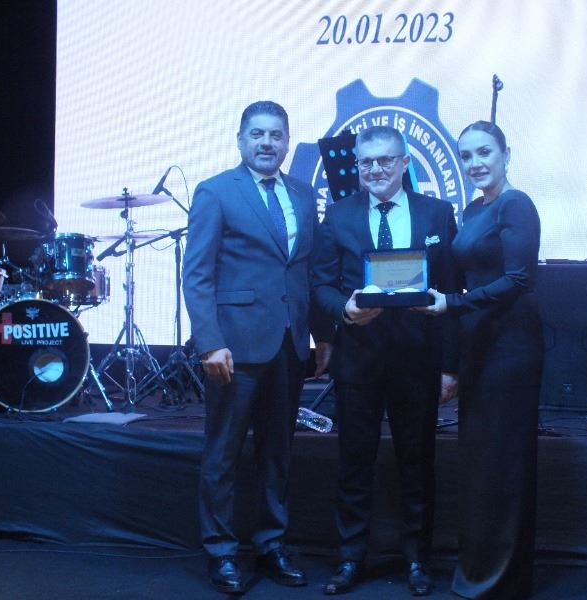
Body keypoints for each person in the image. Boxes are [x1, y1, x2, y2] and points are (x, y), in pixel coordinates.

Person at [182, 100, 331, 595]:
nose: (267, 143)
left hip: (290, 344)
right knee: (223, 455)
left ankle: (271, 545)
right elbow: (197, 275)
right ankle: (222, 553)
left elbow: (307, 271)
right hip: (234, 348)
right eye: (258, 134)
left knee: (277, 453)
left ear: (287, 142)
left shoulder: (303, 194)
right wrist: (210, 343)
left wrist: (321, 335)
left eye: (276, 135)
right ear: (241, 139)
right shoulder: (216, 191)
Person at [311, 125, 459, 596]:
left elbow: (454, 289)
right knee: (354, 464)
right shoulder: (338, 215)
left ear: (404, 163)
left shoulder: (437, 213)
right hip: (359, 360)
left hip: (418, 360)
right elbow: (320, 284)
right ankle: (350, 558)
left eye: (385, 160)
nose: (375, 169)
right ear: (358, 165)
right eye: (366, 162)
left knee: (417, 463)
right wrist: (344, 309)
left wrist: (451, 365)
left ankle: (417, 560)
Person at [420, 120, 543, 599]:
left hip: (511, 348)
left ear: (506, 155)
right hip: (479, 343)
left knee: (503, 463)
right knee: (481, 463)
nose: (475, 163)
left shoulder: (516, 204)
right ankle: (478, 569)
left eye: (484, 152)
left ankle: (503, 581)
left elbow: (519, 280)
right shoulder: (473, 209)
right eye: (466, 155)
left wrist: (453, 303)